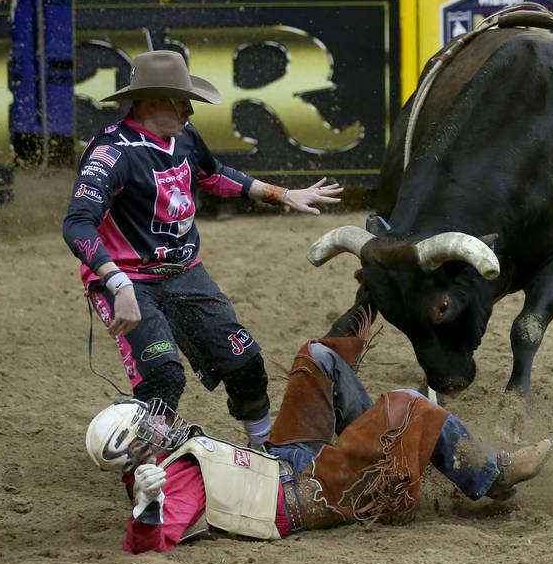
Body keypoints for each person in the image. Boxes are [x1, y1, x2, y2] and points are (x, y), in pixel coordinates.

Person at [62, 50, 345, 448]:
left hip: (183, 271)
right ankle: (148, 478)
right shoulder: (111, 154)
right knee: (162, 376)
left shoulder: (184, 138)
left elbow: (213, 175)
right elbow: (77, 222)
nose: (190, 111)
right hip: (129, 279)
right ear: (153, 101)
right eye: (182, 100)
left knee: (245, 362)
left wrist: (281, 194)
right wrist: (116, 281)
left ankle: (266, 451)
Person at [85, 315, 553, 552]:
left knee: (318, 356)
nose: (162, 421)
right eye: (149, 425)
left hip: (284, 464)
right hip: (304, 493)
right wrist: (147, 509)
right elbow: (148, 545)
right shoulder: (169, 487)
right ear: (139, 451)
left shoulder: (167, 468)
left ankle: (388, 444)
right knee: (405, 403)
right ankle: (492, 475)